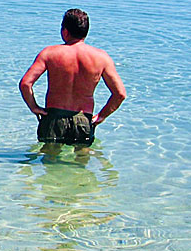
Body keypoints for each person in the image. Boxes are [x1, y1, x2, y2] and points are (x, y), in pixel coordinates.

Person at [19, 8, 126, 148]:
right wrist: (101, 116)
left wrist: (34, 107)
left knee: (50, 163)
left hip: (54, 118)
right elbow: (120, 94)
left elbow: (25, 84)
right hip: (83, 119)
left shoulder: (49, 53)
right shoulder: (102, 57)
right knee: (81, 165)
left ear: (65, 31)